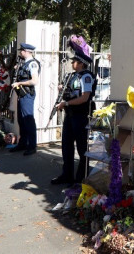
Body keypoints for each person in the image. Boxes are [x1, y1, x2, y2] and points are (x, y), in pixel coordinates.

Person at [51, 50, 95, 185]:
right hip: (70, 115)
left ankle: (81, 178)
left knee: (82, 148)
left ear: (81, 63)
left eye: (74, 61)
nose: (72, 63)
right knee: (66, 147)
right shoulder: (72, 76)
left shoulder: (86, 76)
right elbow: (70, 91)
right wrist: (62, 89)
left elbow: (84, 97)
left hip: (80, 115)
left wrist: (67, 103)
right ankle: (67, 175)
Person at [10, 43, 40, 155]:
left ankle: (32, 146)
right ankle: (23, 144)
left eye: (21, 50)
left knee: (28, 120)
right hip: (22, 94)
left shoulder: (32, 64)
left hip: (27, 94)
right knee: (21, 120)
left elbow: (34, 81)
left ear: (27, 51)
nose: (20, 52)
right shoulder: (24, 63)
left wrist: (19, 83)